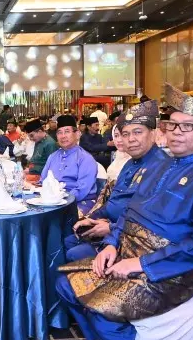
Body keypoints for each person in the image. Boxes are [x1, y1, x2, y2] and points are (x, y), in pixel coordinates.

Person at [56, 84, 193, 340]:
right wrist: (111, 244)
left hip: (170, 272)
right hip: (129, 252)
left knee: (101, 307)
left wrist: (140, 264)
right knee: (66, 284)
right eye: (172, 125)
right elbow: (129, 212)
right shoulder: (159, 168)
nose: (176, 132)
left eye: (187, 126)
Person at [70, 100, 168, 261]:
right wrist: (91, 218)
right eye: (125, 134)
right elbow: (114, 200)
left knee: (73, 252)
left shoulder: (161, 166)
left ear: (153, 134)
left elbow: (147, 218)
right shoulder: (130, 163)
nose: (131, 139)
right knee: (69, 235)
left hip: (133, 241)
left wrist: (111, 228)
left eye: (137, 132)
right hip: (110, 226)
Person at [40, 115, 97, 213]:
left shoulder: (85, 158)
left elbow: (82, 190)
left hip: (79, 202)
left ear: (77, 134)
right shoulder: (52, 157)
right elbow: (43, 181)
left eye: (67, 131)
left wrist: (60, 199)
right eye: (59, 132)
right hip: (53, 202)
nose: (63, 136)